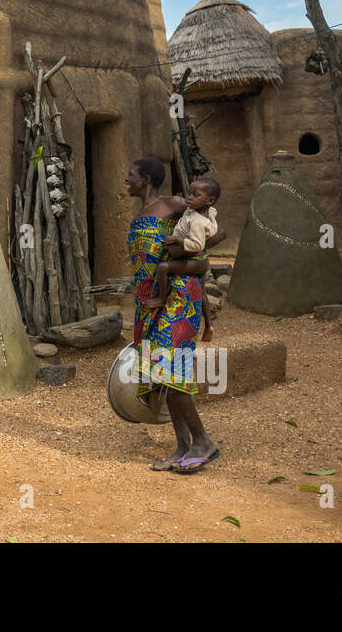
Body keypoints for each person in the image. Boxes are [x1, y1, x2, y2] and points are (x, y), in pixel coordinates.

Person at [124, 157, 225, 473]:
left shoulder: (174, 203)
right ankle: (183, 446)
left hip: (180, 296)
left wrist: (193, 258)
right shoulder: (141, 214)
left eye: (131, 175)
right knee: (161, 371)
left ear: (146, 179)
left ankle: (203, 442)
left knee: (170, 367)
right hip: (150, 302)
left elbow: (216, 233)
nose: (126, 179)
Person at [143, 178, 221, 344]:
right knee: (203, 291)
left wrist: (176, 240)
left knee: (163, 268)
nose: (189, 197)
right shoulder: (203, 212)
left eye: (195, 195)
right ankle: (209, 325)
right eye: (189, 193)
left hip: (194, 258)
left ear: (209, 200)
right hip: (200, 260)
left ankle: (161, 298)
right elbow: (213, 216)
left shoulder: (198, 221)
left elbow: (197, 245)